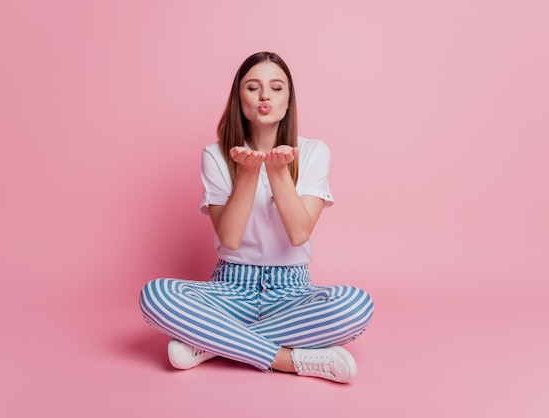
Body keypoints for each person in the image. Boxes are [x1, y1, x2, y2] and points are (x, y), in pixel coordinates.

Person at [139, 51, 374, 383]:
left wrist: (278, 173)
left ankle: (214, 341)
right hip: (231, 289)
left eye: (276, 88)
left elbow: (299, 233)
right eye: (253, 87)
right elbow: (231, 238)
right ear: (239, 97)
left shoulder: (314, 152)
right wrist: (248, 172)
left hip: (291, 292)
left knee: (355, 306)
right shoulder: (216, 155)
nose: (265, 95)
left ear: (289, 100)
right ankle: (287, 360)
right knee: (156, 295)